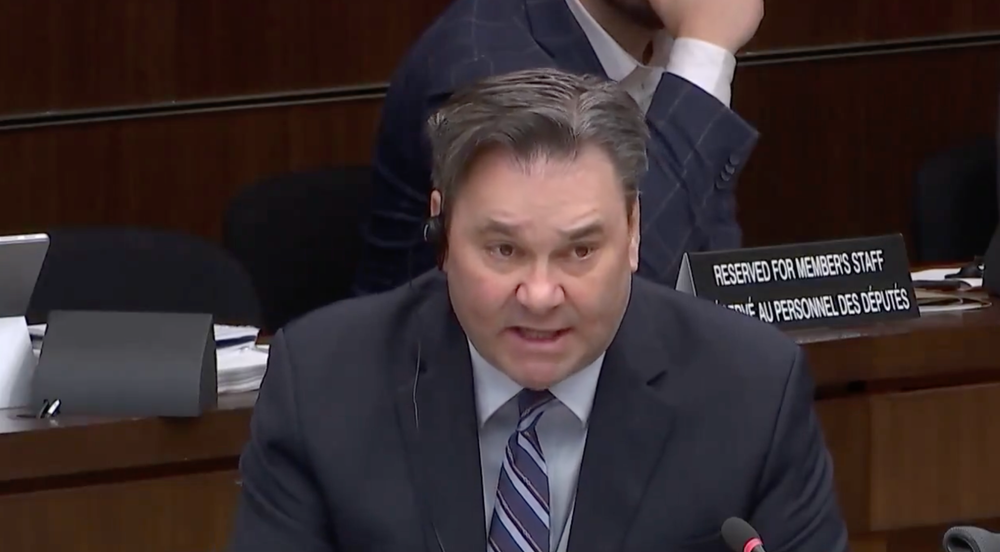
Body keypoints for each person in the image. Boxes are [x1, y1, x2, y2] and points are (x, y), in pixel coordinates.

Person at [228, 69, 848, 552]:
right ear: (443, 231)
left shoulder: (750, 391)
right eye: (504, 250)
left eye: (580, 250)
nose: (541, 294)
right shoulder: (322, 384)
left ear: (633, 230)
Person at [351, 0, 764, 297]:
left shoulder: (666, 49)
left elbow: (712, 273)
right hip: (450, 388)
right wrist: (703, 56)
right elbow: (604, 306)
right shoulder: (485, 63)